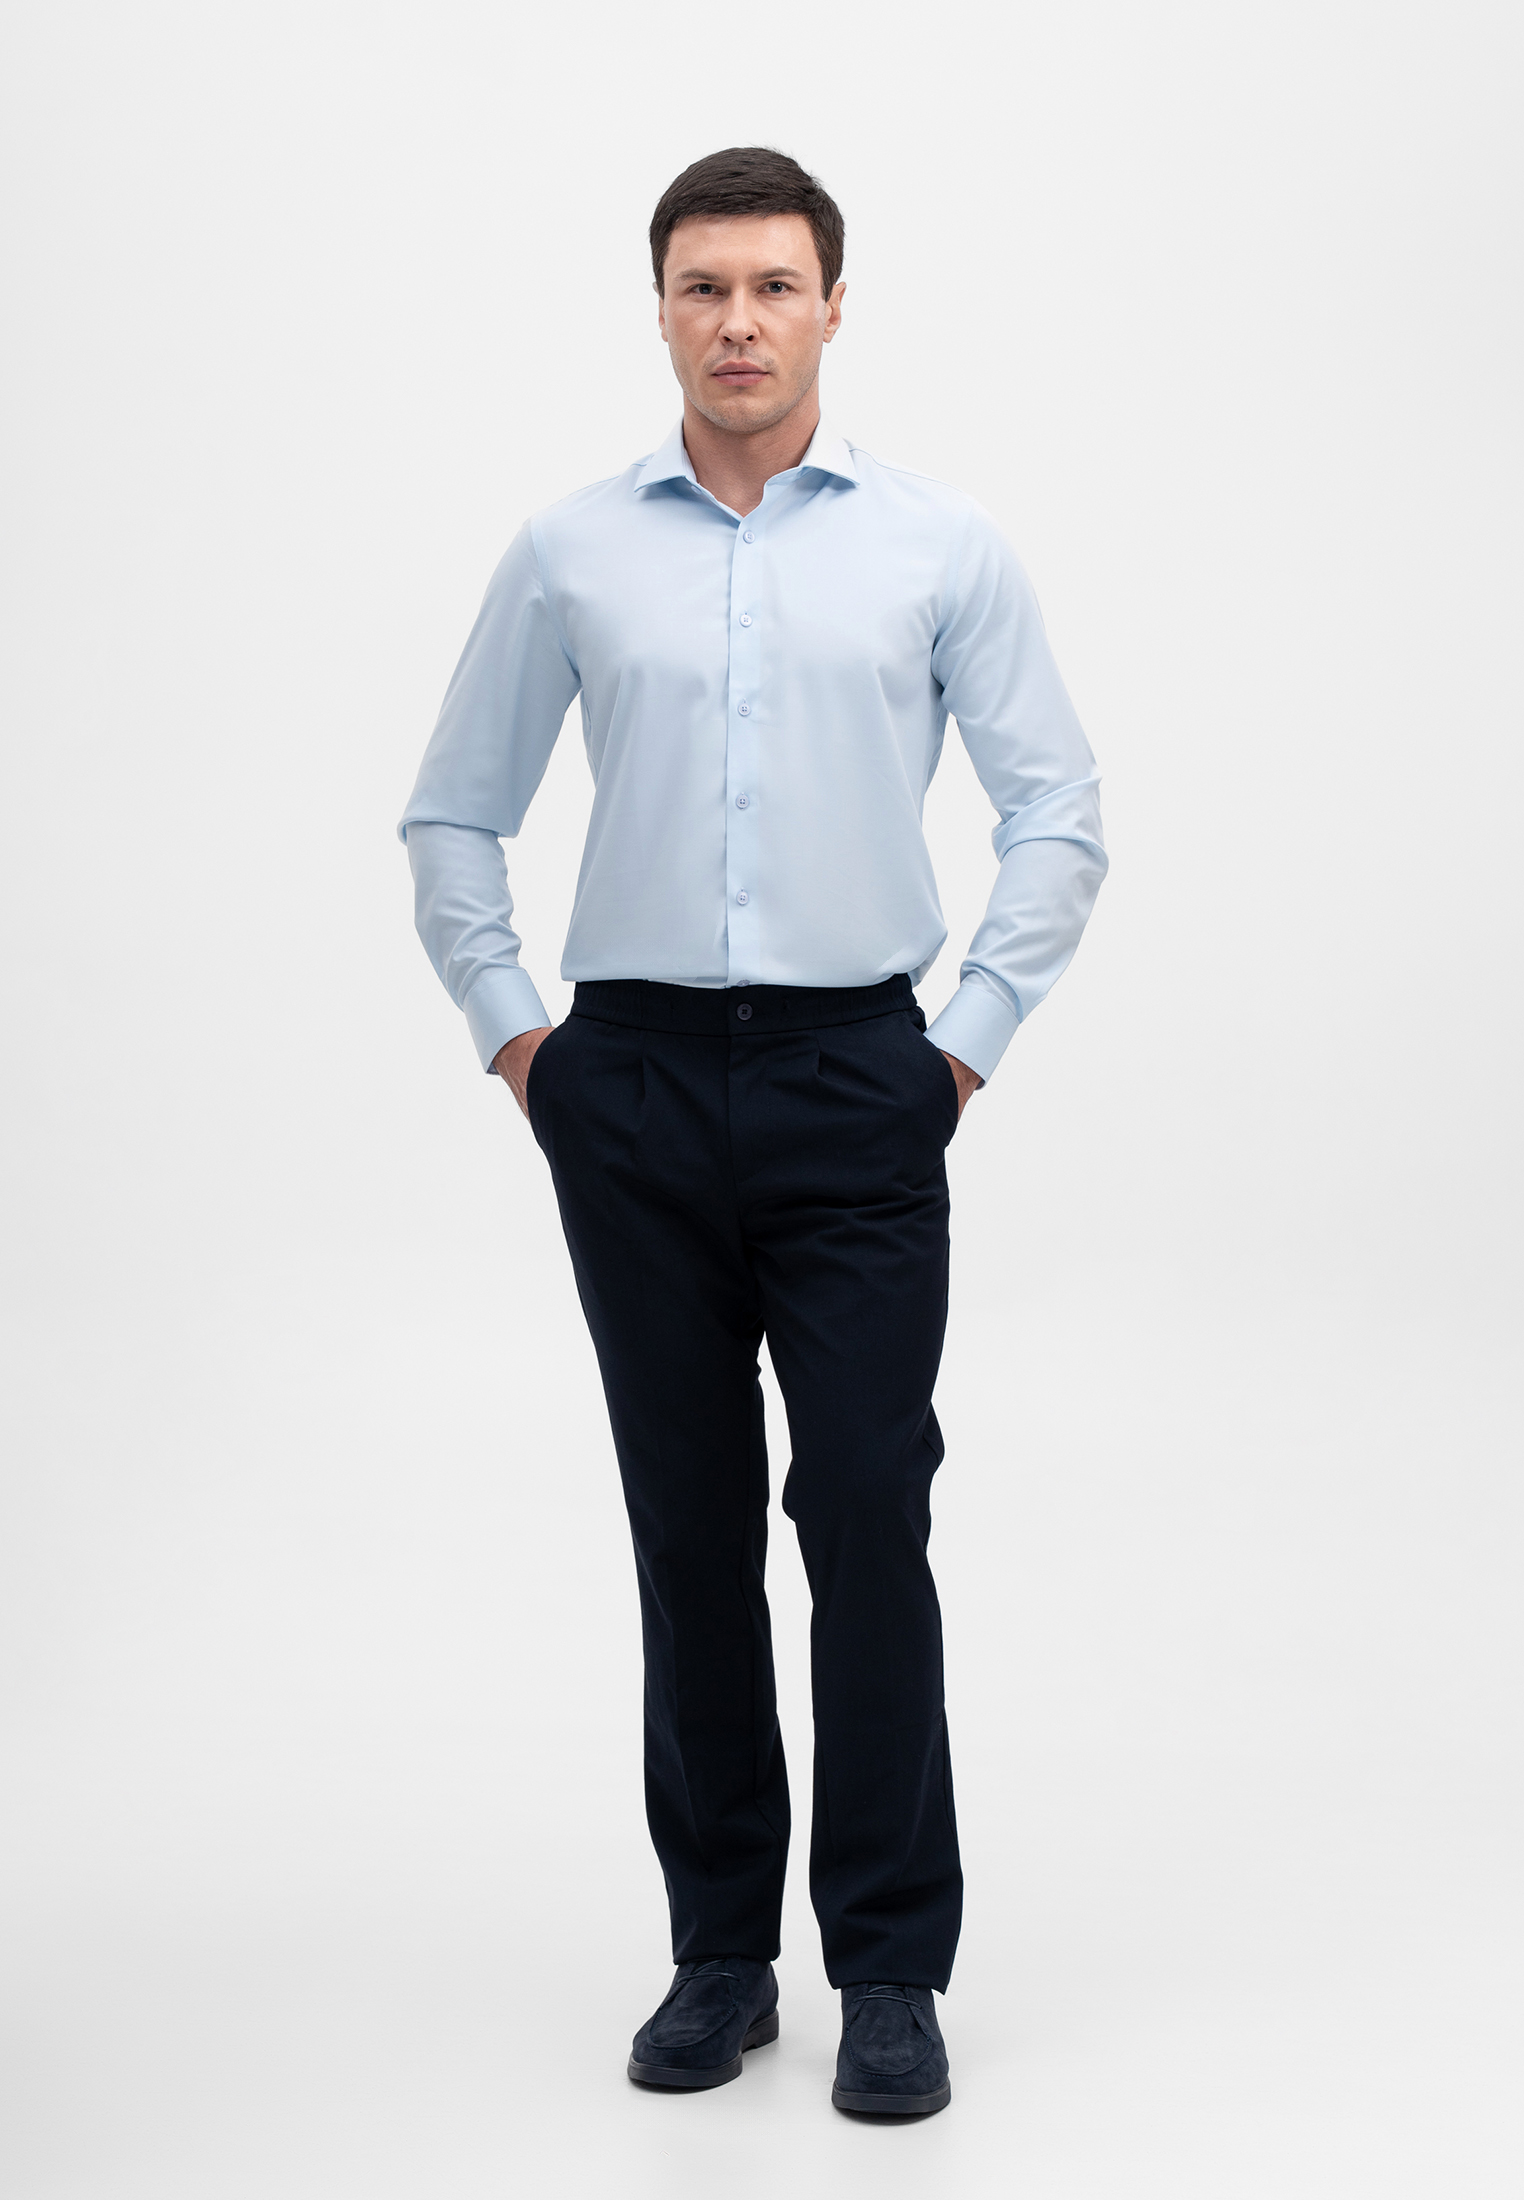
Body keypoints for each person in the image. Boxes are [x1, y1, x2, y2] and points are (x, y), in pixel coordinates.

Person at [399, 146, 1106, 2118]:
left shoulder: (937, 544)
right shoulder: (569, 551)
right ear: (660, 309)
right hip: (626, 1085)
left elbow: (1059, 810)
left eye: (774, 286)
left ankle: (889, 1964)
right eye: (704, 287)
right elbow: (454, 809)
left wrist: (955, 1050)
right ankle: (721, 1949)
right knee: (688, 1521)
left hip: (858, 1079)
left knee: (867, 1507)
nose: (738, 322)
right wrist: (523, 1043)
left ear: (832, 307)